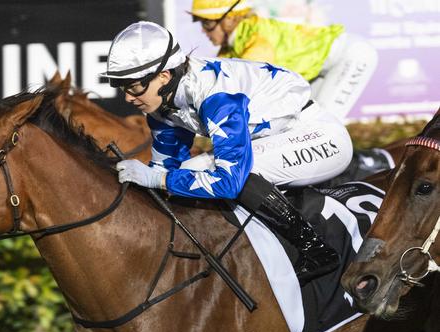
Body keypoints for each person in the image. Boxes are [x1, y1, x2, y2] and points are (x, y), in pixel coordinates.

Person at [103, 21, 354, 284]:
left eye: (133, 87)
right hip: (275, 140)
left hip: (320, 138)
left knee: (230, 173)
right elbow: (164, 169)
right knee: (187, 172)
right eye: (123, 88)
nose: (128, 98)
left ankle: (315, 250)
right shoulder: (160, 104)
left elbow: (229, 182)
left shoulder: (216, 97)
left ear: (164, 77)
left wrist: (157, 179)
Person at [188, 0, 378, 122]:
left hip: (351, 57)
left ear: (231, 18)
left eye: (208, 23)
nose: (204, 31)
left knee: (321, 127)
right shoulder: (237, 39)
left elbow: (247, 92)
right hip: (324, 66)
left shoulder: (258, 41)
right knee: (305, 125)